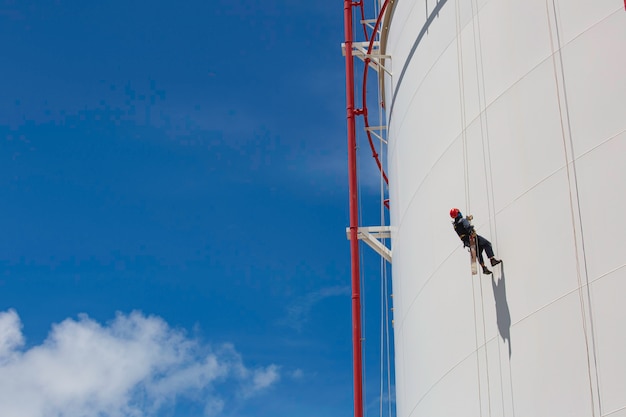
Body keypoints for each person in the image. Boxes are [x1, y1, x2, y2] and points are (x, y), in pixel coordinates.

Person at [450, 208, 501, 275]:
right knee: (486, 244)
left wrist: (467, 220)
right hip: (472, 237)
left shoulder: (455, 225)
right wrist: (470, 227)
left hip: (467, 242)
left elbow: (461, 228)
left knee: (478, 251)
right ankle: (492, 260)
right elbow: (467, 226)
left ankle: (484, 268)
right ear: (458, 213)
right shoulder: (463, 220)